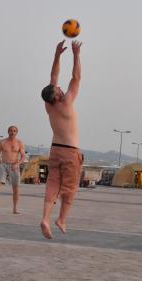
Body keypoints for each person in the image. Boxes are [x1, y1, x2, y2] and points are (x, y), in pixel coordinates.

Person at [39, 40, 83, 239]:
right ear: (56, 97)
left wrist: (57, 55)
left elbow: (53, 77)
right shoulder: (65, 103)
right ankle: (61, 219)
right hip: (69, 152)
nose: (61, 90)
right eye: (59, 91)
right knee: (70, 189)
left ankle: (46, 218)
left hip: (55, 150)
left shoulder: (49, 106)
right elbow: (76, 77)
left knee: (52, 184)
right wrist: (76, 54)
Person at [0, 125, 26, 214]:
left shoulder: (19, 143)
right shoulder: (2, 142)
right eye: (11, 131)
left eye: (14, 131)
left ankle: (15, 209)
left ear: (17, 132)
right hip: (3, 165)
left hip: (14, 166)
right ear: (8, 132)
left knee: (16, 189)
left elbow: (23, 156)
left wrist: (18, 164)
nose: (12, 132)